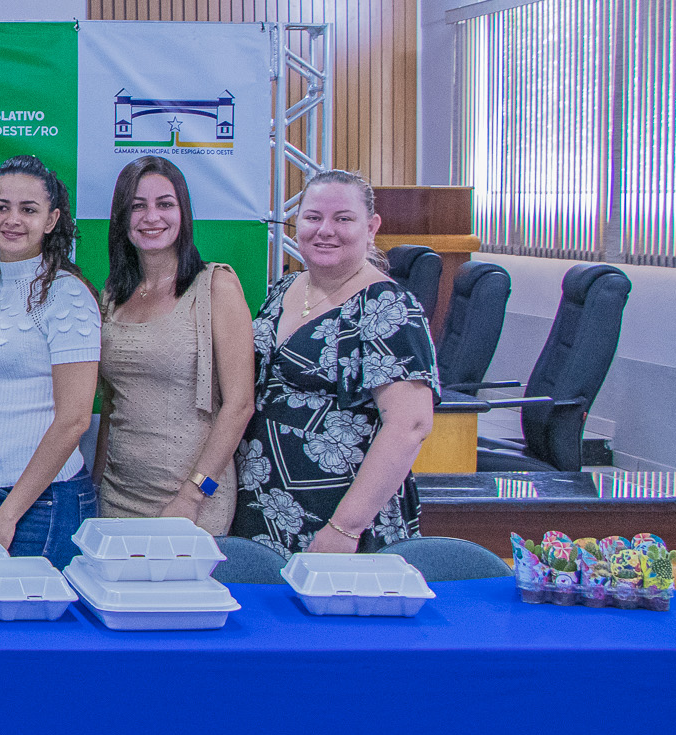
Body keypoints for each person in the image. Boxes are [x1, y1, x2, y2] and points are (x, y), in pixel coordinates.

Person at [232, 170, 436, 556]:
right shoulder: (284, 288)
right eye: (313, 218)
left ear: (371, 226)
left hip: (341, 522)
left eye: (343, 218)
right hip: (263, 505)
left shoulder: (388, 307)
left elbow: (409, 425)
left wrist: (345, 528)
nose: (325, 230)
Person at [91, 156, 255, 534]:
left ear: (183, 213)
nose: (152, 217)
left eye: (165, 204)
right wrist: (97, 482)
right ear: (121, 219)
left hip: (193, 501)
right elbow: (112, 403)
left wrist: (193, 496)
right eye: (137, 206)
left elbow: (240, 405)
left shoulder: (216, 286)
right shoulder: (113, 296)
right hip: (117, 496)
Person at [0, 156, 101, 559]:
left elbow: (74, 420)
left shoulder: (65, 294)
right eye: (2, 207)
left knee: (33, 624)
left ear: (51, 221)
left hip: (40, 507)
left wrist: (8, 514)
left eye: (28, 209)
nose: (12, 219)